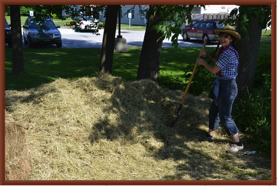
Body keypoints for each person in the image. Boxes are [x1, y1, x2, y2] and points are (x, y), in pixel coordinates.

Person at [196, 25, 243, 153]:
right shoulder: (226, 51)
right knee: (214, 110)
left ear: (231, 39)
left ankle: (238, 143)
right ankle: (209, 135)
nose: (222, 38)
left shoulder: (228, 53)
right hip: (222, 85)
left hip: (228, 87)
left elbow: (213, 70)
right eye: (221, 36)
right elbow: (218, 61)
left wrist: (203, 62)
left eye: (226, 37)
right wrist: (207, 54)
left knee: (225, 116)